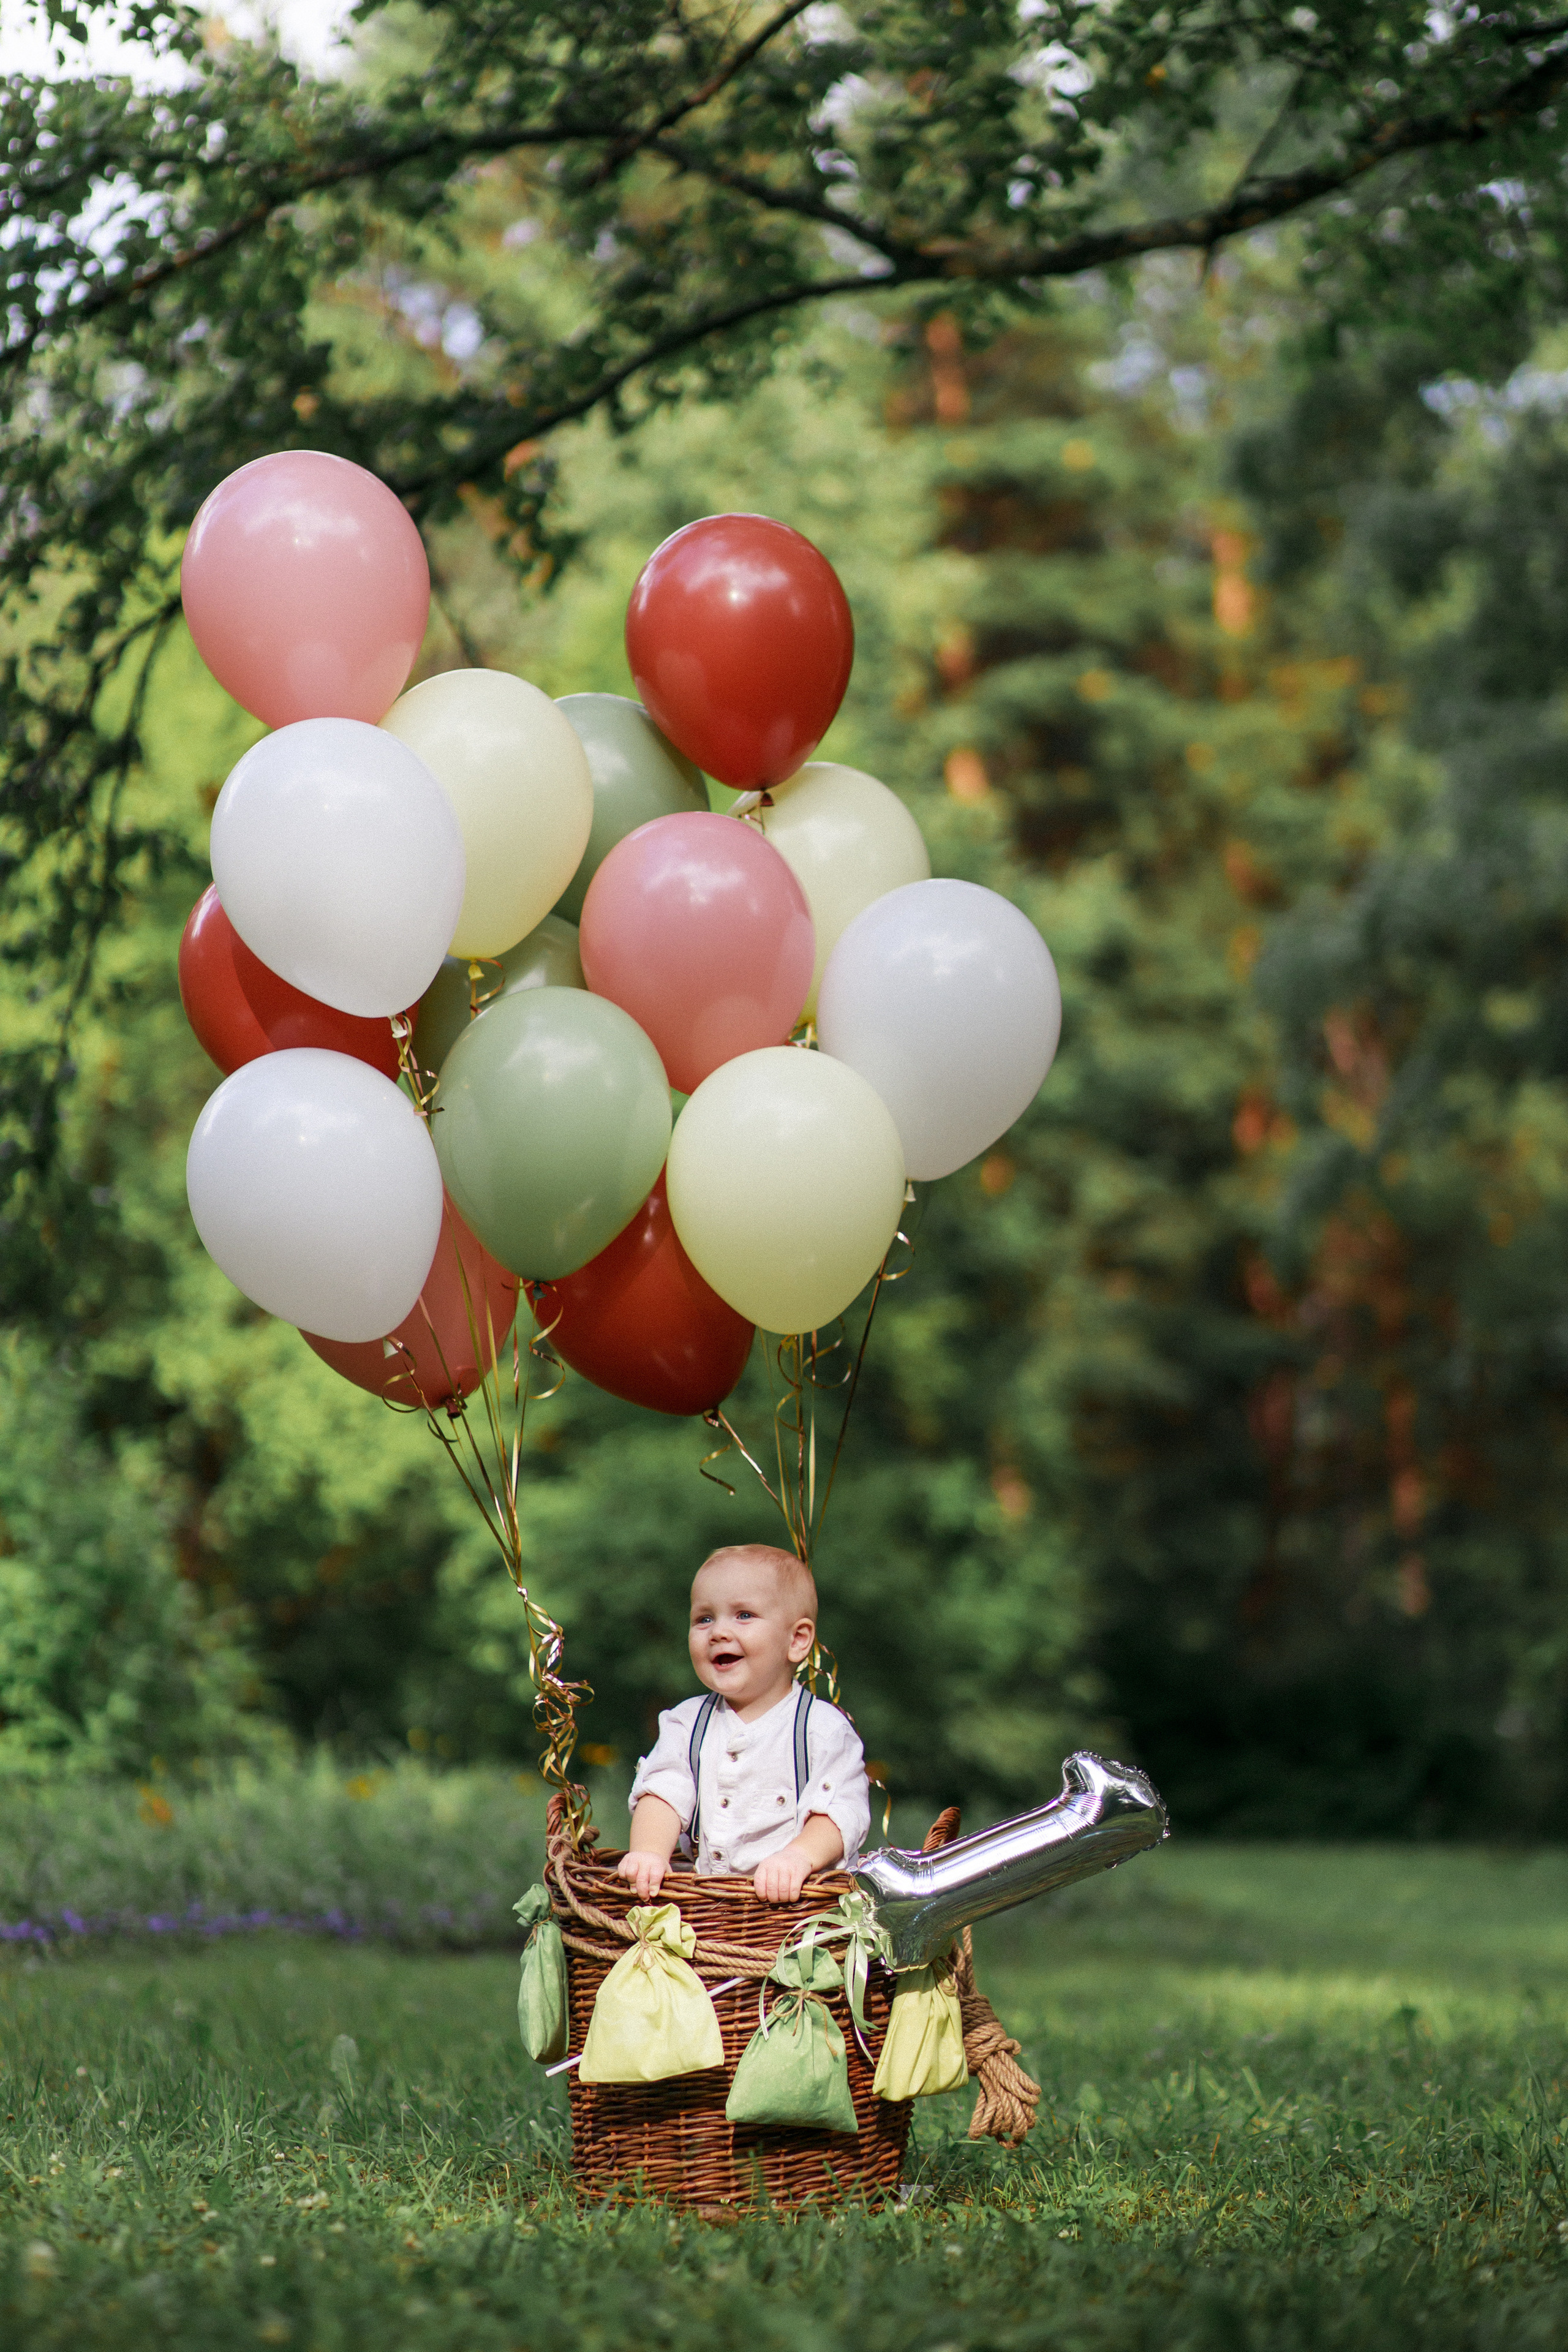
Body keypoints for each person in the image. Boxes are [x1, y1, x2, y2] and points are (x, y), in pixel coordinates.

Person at [617, 1543, 870, 1904]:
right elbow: (663, 1793)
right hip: (707, 1908)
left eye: (744, 1615)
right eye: (704, 1618)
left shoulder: (821, 1729)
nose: (718, 1632)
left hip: (797, 1909)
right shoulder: (688, 1723)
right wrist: (650, 1853)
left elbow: (840, 1811)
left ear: (797, 1640)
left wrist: (798, 1857)